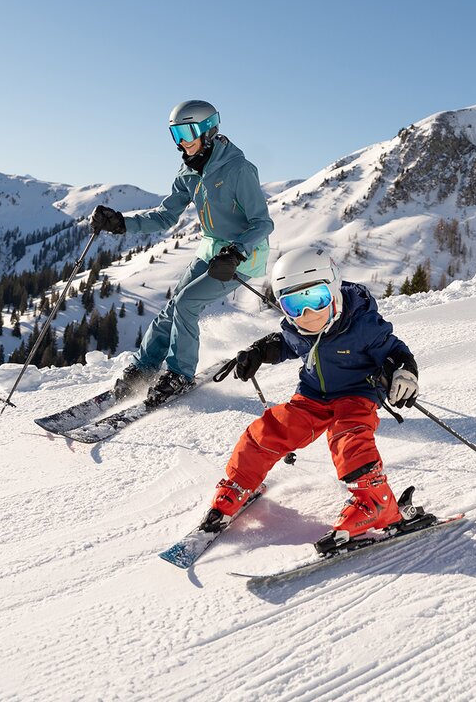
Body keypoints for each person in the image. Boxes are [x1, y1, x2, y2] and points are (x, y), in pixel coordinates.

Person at [200, 247, 421, 554]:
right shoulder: (297, 326)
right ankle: (239, 484)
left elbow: (396, 351)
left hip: (357, 395)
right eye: (293, 304)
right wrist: (257, 353)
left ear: (332, 289)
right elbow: (284, 344)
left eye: (315, 299)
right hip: (312, 396)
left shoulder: (362, 325)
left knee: (348, 439)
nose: (307, 314)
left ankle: (376, 503)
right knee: (265, 432)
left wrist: (404, 374)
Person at [89, 100, 274, 405]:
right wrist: (122, 223)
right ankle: (144, 366)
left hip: (242, 256)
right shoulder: (188, 171)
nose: (182, 141)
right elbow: (165, 216)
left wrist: (237, 252)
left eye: (188, 131)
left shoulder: (239, 169)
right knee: (174, 306)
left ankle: (179, 375)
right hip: (211, 249)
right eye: (175, 134)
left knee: (187, 303)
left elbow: (262, 223)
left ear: (209, 130)